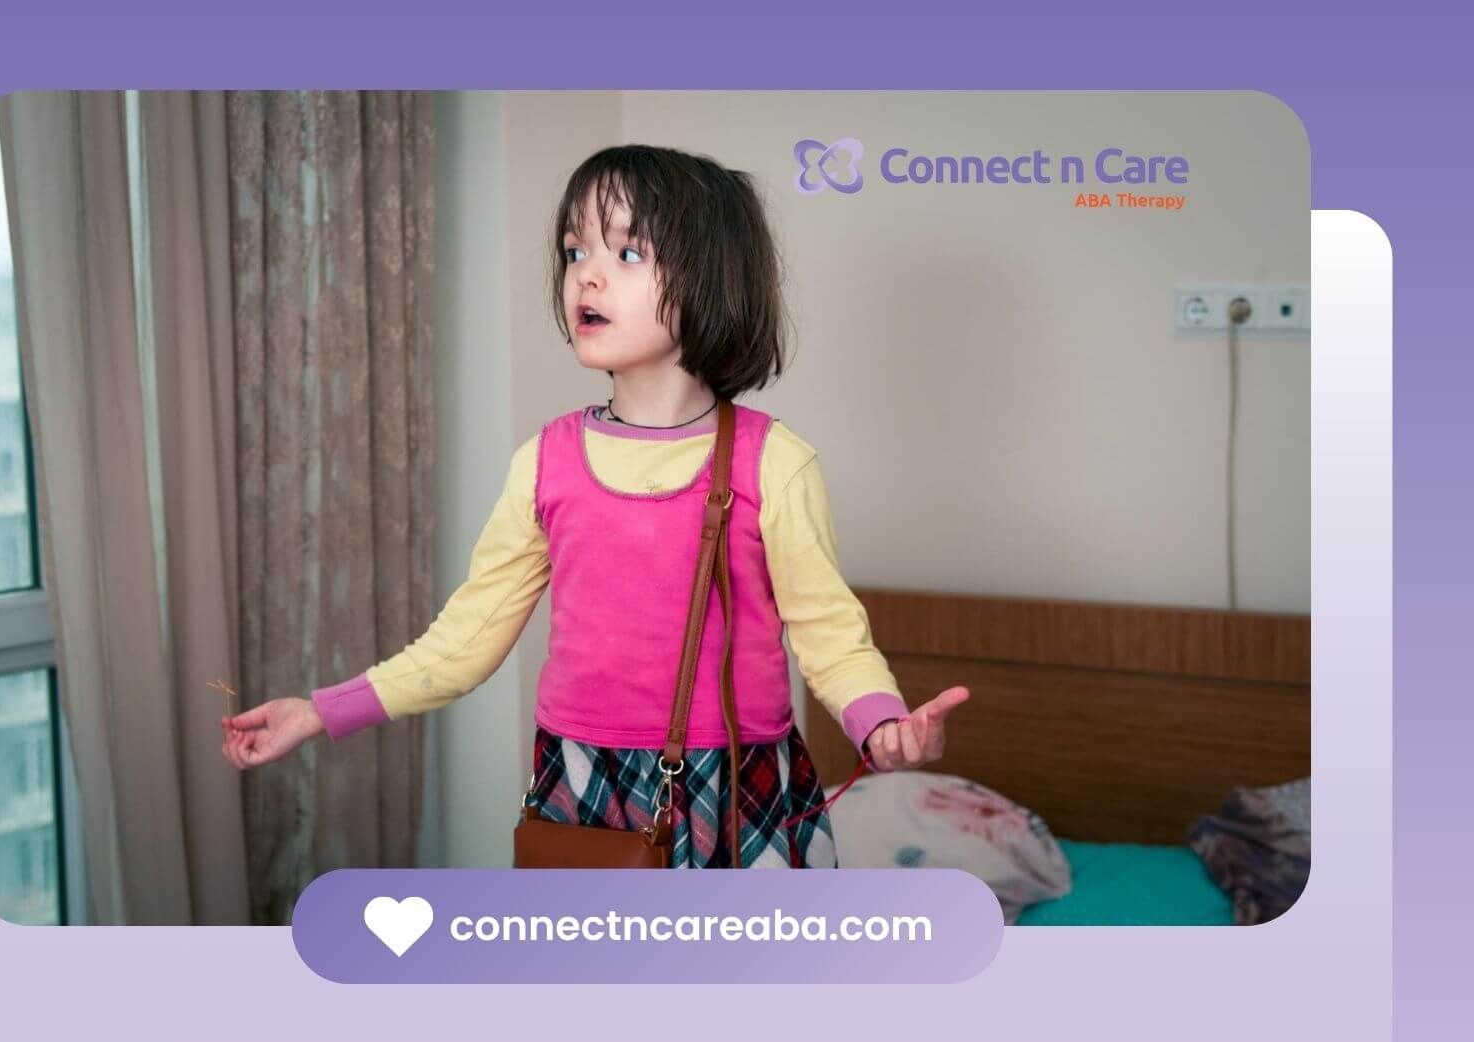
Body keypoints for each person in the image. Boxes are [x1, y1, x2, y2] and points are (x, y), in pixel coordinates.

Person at [222, 144, 970, 868]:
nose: (587, 277)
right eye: (576, 251)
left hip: (736, 784)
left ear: (711, 280)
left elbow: (830, 636)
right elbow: (465, 640)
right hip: (580, 781)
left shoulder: (773, 462)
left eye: (627, 254)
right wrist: (320, 711)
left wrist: (882, 725)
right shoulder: (543, 462)